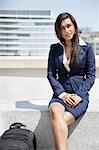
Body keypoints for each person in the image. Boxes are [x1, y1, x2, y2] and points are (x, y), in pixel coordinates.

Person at [47, 12, 96, 150]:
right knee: (56, 111)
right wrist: (62, 94)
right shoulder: (54, 49)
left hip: (78, 96)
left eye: (69, 26)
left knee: (58, 122)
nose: (66, 30)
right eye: (62, 28)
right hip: (60, 95)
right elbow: (51, 75)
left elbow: (91, 75)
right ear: (58, 31)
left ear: (74, 26)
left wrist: (79, 95)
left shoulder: (87, 48)